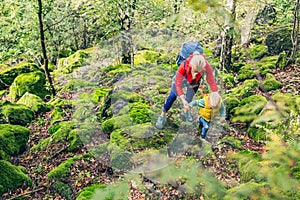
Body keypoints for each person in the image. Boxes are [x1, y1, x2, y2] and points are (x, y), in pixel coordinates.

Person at [156, 51, 219, 129]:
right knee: (172, 96)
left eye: (198, 72)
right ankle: (162, 115)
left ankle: (185, 112)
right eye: (195, 71)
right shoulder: (184, 65)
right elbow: (177, 84)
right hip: (182, 79)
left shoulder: (206, 65)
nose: (195, 74)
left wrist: (215, 92)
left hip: (194, 83)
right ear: (191, 65)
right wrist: (182, 99)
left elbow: (211, 79)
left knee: (189, 98)